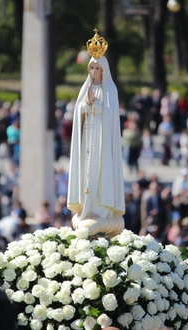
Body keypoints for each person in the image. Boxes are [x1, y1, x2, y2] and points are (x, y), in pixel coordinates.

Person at [67, 29, 125, 237]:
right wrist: (85, 105)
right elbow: (78, 113)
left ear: (103, 70)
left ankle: (101, 209)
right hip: (88, 140)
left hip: (103, 140)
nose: (93, 72)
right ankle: (86, 207)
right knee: (87, 174)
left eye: (96, 68)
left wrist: (96, 104)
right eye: (91, 68)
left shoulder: (110, 90)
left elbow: (110, 115)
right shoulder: (86, 89)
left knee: (101, 173)